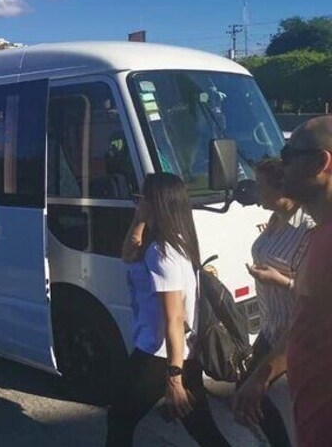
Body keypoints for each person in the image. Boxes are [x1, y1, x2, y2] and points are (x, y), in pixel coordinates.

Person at [106, 172, 230, 447]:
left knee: (119, 418)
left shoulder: (164, 253)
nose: (138, 202)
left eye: (142, 198)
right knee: (202, 429)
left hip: (160, 356)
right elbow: (128, 254)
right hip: (171, 354)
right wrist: (138, 219)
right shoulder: (164, 243)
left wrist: (174, 378)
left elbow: (174, 317)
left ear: (156, 202)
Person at [239, 116, 332, 447]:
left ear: (321, 162)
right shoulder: (320, 236)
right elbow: (305, 322)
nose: (282, 165)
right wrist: (261, 377)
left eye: (289, 155)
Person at [233, 158, 313, 446]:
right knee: (246, 390)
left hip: (296, 332)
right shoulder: (274, 218)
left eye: (260, 185)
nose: (256, 191)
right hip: (271, 327)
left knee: (294, 404)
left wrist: (280, 281)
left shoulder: (308, 228)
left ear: (281, 188)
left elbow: (316, 294)